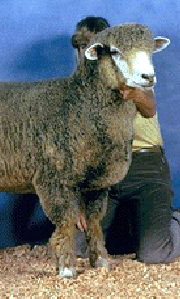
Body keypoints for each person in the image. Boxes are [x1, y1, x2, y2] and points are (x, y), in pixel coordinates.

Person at [72, 16, 180, 263]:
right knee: (81, 248)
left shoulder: (133, 72)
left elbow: (149, 108)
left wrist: (132, 93)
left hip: (145, 167)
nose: (86, 56)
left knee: (153, 255)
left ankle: (172, 220)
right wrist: (77, 199)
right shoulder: (79, 92)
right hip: (106, 174)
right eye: (81, 48)